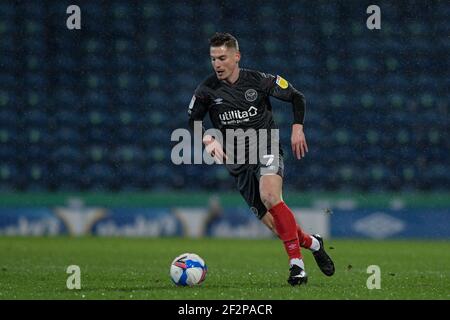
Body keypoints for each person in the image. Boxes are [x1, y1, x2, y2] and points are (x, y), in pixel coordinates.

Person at [188, 32, 334, 285]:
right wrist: (207, 139)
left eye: (222, 58)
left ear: (237, 56)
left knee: (270, 195)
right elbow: (194, 119)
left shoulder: (259, 80)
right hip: (238, 161)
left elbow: (297, 96)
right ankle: (312, 242)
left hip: (266, 146)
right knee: (277, 227)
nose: (217, 64)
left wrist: (297, 127)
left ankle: (296, 266)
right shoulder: (207, 89)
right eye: (213, 59)